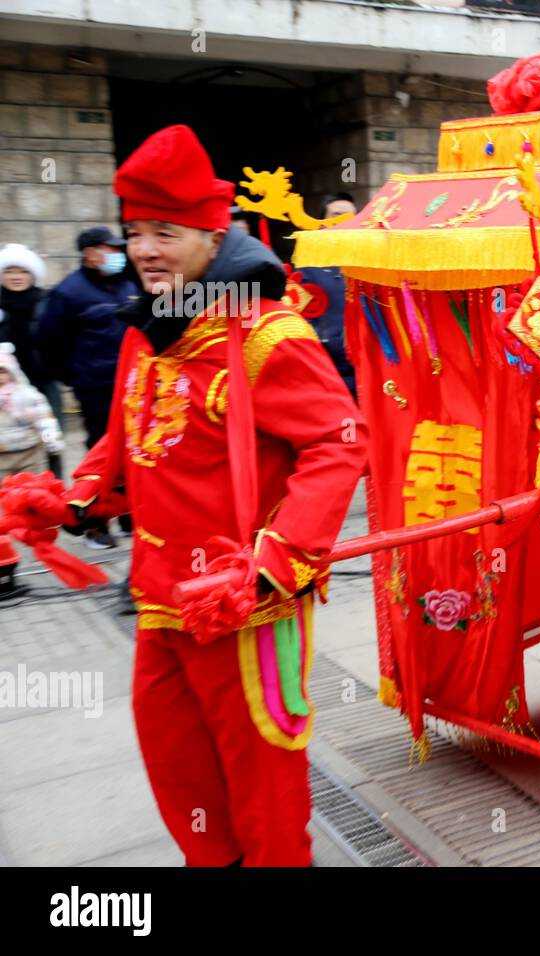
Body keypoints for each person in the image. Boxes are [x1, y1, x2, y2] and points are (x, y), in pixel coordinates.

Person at [56, 125, 368, 865]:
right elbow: (129, 434)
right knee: (180, 770)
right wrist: (76, 495)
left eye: (165, 232)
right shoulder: (151, 329)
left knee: (261, 782)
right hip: (159, 599)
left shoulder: (266, 335)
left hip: (242, 605)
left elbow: (340, 442)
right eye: (135, 232)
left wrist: (276, 560)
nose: (145, 250)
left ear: (210, 234)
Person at [36, 226, 138, 547]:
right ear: (90, 252)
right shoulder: (68, 292)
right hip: (95, 388)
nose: (118, 255)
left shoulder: (129, 286)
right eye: (111, 249)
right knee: (101, 456)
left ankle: (129, 516)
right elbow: (49, 342)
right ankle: (96, 524)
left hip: (133, 385)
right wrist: (75, 377)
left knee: (136, 451)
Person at [0, 343, 64, 598]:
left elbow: (44, 417)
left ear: (13, 372)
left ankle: (43, 545)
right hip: (3, 458)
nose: (0, 377)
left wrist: (52, 440)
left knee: (36, 504)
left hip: (29, 455)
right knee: (7, 506)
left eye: (4, 372)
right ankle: (8, 548)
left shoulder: (26, 394)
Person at [0, 244, 61, 475]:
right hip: (5, 390)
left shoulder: (46, 303)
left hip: (44, 385)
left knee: (50, 440)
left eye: (22, 271)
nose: (16, 277)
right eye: (10, 271)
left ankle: (54, 491)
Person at [293, 192, 359, 397]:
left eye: (349, 217)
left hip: (369, 368)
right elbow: (301, 319)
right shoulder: (308, 266)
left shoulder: (368, 264)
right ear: (321, 223)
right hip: (330, 372)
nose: (342, 221)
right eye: (336, 215)